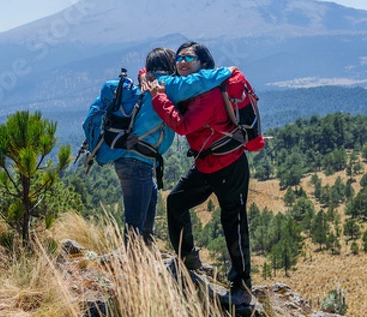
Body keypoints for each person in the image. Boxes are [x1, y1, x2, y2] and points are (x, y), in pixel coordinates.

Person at [141, 42, 256, 306]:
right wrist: (148, 77)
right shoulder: (190, 87)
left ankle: (242, 287)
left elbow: (184, 125)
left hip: (229, 166)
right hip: (207, 164)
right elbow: (160, 80)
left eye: (189, 58)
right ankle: (187, 258)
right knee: (177, 201)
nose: (182, 61)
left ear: (203, 63)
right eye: (179, 57)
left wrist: (158, 96)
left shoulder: (210, 93)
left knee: (234, 224)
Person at [84, 47, 176, 245]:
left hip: (133, 161)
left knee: (143, 220)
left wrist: (144, 75)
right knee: (135, 223)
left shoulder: (145, 87)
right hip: (136, 163)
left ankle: (143, 264)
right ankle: (133, 270)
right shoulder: (164, 86)